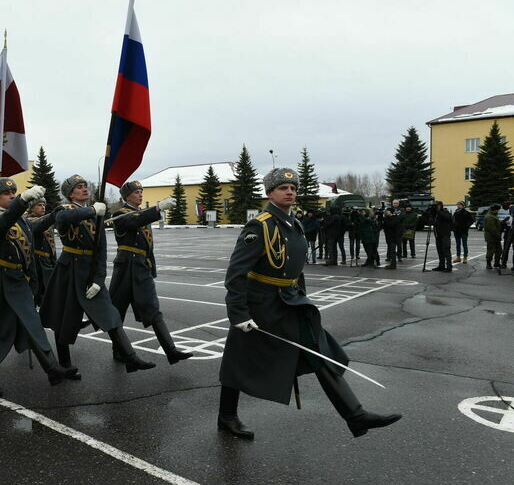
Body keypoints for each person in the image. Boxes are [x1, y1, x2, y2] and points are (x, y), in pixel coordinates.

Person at [217, 167, 401, 440]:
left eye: (293, 189)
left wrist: (300, 296)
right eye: (283, 188)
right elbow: (235, 274)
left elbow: (295, 268)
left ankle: (355, 415)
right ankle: (227, 417)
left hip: (289, 304)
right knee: (238, 361)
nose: (290, 192)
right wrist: (239, 314)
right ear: (270, 193)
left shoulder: (294, 224)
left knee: (318, 351)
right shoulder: (260, 226)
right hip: (261, 307)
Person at [0, 179, 79, 397]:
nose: (11, 195)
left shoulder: (23, 221)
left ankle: (52, 368)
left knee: (32, 324)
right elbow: (2, 224)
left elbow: (33, 238)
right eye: (6, 193)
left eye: (13, 192)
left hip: (19, 280)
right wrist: (22, 200)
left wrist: (53, 214)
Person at [39, 175, 156, 375]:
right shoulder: (66, 210)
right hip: (69, 270)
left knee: (110, 314)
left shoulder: (96, 215)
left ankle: (130, 357)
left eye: (85, 186)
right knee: (63, 318)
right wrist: (93, 209)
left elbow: (101, 250)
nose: (84, 189)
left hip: (89, 271)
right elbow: (62, 219)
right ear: (70, 193)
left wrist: (99, 280)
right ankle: (65, 365)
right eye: (79, 187)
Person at [109, 180, 192, 365]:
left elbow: (148, 245)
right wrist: (158, 208)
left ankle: (170, 350)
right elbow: (134, 221)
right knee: (117, 310)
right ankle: (118, 350)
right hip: (125, 269)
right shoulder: (119, 214)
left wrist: (150, 267)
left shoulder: (140, 214)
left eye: (141, 191)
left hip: (139, 268)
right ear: (126, 196)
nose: (140, 194)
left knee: (153, 308)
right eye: (136, 192)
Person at [24, 197, 59, 305]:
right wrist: (54, 214)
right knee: (37, 293)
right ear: (31, 208)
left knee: (50, 294)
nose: (43, 207)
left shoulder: (46, 221)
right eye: (39, 205)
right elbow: (38, 226)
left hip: (48, 262)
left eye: (44, 205)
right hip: (37, 263)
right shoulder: (28, 221)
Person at [432, 202, 453, 272]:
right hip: (438, 235)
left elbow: (447, 217)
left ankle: (449, 266)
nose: (437, 207)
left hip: (445, 234)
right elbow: (433, 222)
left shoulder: (445, 211)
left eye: (438, 205)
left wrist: (439, 211)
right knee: (440, 251)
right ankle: (441, 265)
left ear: (441, 206)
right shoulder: (435, 213)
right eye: (436, 206)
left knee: (446, 250)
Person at [484, 204, 503, 269]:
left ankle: (496, 263)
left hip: (495, 237)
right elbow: (492, 228)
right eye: (498, 210)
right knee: (490, 251)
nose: (498, 211)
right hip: (491, 237)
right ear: (494, 210)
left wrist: (502, 222)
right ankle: (488, 264)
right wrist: (498, 236)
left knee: (499, 251)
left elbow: (496, 224)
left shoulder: (493, 216)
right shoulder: (489, 217)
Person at [500, 202, 514, 269]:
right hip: (508, 233)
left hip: (511, 233)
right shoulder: (508, 217)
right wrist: (505, 222)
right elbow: (501, 223)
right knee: (506, 248)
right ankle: (503, 262)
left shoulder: (511, 212)